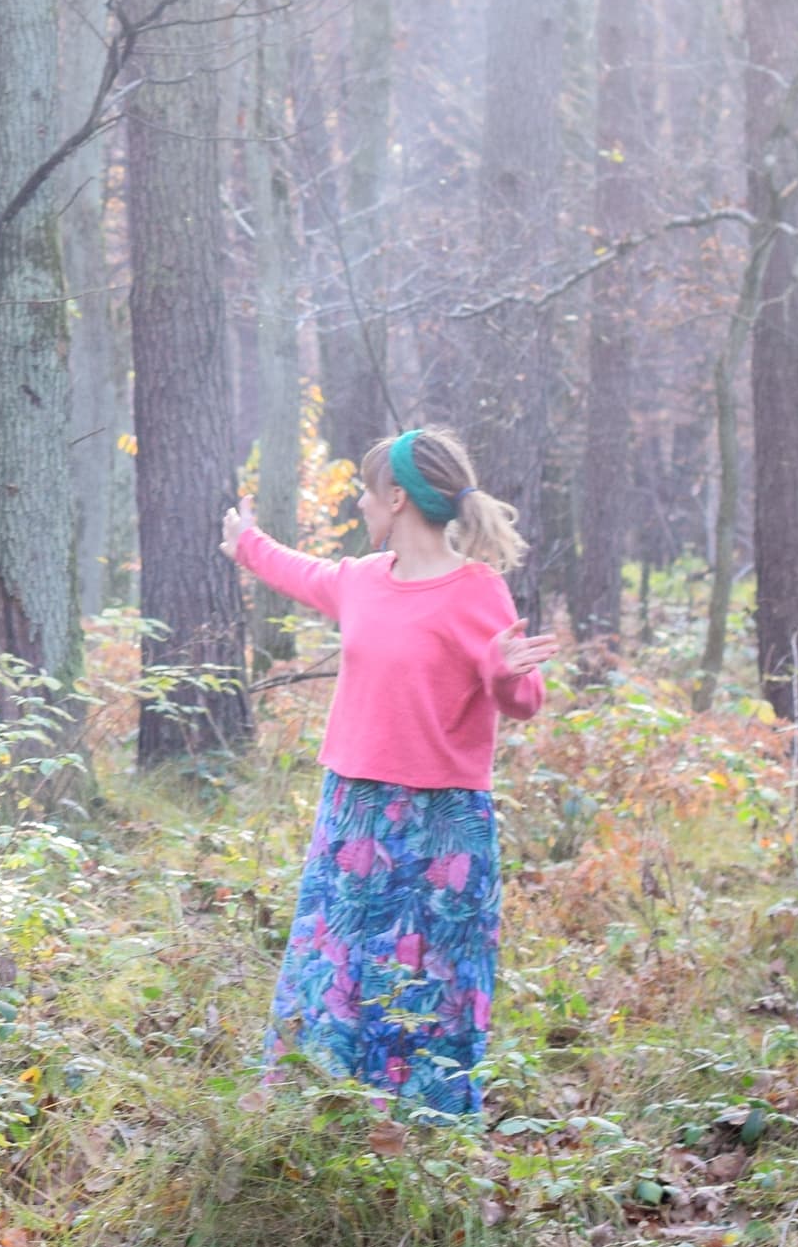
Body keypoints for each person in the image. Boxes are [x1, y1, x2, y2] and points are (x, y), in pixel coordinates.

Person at [221, 426, 567, 1120]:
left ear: (398, 499)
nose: (360, 506)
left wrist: (503, 674)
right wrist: (246, 544)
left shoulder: (478, 591)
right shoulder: (361, 582)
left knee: (428, 979)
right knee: (334, 968)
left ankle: (418, 1129)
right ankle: (319, 1115)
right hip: (353, 810)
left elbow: (524, 701)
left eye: (366, 493)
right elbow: (300, 571)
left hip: (443, 825)